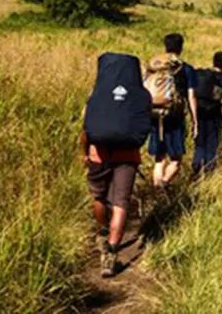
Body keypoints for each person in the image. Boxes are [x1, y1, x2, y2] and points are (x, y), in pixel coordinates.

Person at [82, 52, 151, 278]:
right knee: (121, 202)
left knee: (99, 198)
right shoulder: (142, 95)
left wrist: (84, 153)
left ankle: (103, 231)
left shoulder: (96, 94)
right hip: (128, 155)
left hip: (98, 155)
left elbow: (85, 129)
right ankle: (112, 251)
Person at [145, 33, 192, 191]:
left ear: (165, 46)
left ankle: (156, 189)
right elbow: (190, 95)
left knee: (159, 159)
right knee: (176, 160)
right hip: (174, 117)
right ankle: (163, 185)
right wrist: (195, 120)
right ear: (181, 47)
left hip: (154, 114)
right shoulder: (183, 68)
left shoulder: (154, 65)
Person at [189, 50, 222, 177]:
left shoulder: (200, 74)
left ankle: (196, 167)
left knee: (199, 143)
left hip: (198, 114)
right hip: (214, 116)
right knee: (211, 145)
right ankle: (208, 171)